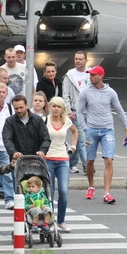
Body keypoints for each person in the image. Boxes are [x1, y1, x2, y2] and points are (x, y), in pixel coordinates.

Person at [77, 66, 127, 204]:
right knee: (90, 160)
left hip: (107, 129)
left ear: (101, 76)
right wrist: (85, 129)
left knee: (108, 160)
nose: (91, 77)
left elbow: (119, 110)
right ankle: (91, 186)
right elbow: (79, 112)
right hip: (91, 130)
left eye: (94, 75)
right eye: (90, 75)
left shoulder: (111, 92)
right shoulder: (85, 92)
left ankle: (107, 193)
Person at [45, 97, 78, 232]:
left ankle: (61, 220)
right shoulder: (44, 121)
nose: (56, 109)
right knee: (50, 192)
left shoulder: (66, 121)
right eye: (54, 106)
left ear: (62, 109)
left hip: (63, 159)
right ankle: (50, 221)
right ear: (50, 107)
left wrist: (73, 146)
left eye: (59, 106)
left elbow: (75, 131)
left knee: (63, 191)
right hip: (48, 158)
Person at [62, 51, 90, 174]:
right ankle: (87, 166)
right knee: (82, 140)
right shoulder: (70, 75)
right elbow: (65, 95)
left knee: (81, 140)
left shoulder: (90, 74)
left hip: (89, 112)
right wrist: (68, 111)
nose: (78, 61)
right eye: (76, 59)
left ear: (85, 60)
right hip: (75, 112)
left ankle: (72, 163)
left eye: (80, 59)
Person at [2, 95, 51, 162]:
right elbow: (7, 139)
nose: (19, 110)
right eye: (16, 108)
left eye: (21, 107)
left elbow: (45, 138)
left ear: (27, 105)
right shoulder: (10, 121)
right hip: (18, 161)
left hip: (36, 160)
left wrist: (42, 151)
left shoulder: (37, 120)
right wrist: (14, 152)